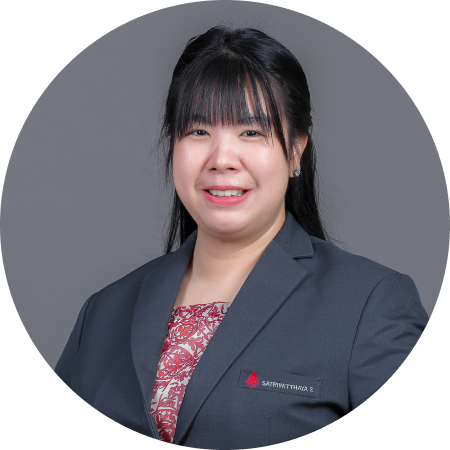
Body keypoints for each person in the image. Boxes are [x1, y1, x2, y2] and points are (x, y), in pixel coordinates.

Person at [54, 26, 429, 448]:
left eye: (250, 132)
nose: (222, 159)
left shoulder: (370, 306)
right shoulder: (103, 313)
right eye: (198, 131)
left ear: (295, 150)